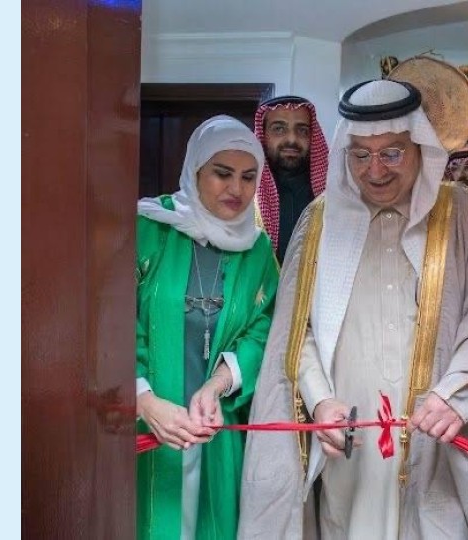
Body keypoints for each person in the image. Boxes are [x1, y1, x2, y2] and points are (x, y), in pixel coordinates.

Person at [239, 79, 468, 539]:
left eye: (392, 153)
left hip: (434, 434)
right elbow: (296, 332)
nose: (375, 170)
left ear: (419, 147)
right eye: (361, 154)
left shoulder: (459, 212)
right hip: (348, 438)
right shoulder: (319, 221)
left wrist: (454, 394)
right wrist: (320, 401)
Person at [135, 115, 280, 540]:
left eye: (248, 177)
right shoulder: (148, 229)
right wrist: (143, 401)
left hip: (216, 429)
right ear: (195, 170)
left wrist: (218, 384)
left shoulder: (257, 250)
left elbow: (264, 329)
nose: (236, 189)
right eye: (222, 173)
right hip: (144, 423)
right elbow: (111, 322)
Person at [253, 95, 329, 261]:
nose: (292, 139)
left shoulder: (331, 195)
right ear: (263, 135)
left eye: (302, 130)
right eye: (279, 129)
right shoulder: (246, 194)